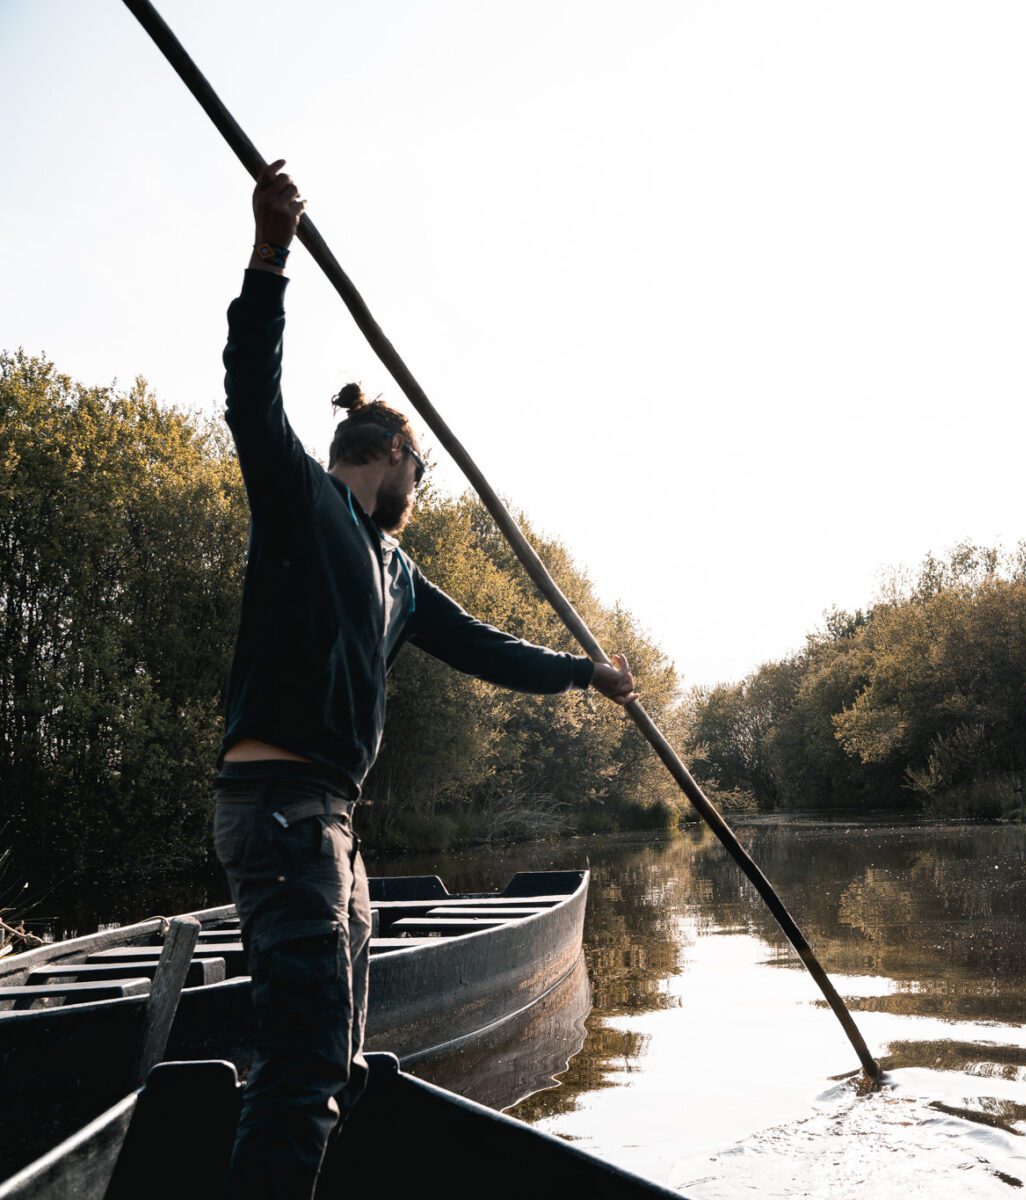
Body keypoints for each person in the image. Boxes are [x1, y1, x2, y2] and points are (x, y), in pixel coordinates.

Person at [211, 159, 636, 1198]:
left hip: (334, 827)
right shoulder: (304, 507)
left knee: (336, 1062)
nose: (422, 489)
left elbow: (489, 646)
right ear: (395, 452)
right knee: (307, 1063)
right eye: (420, 472)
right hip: (277, 810)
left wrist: (586, 673)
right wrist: (270, 258)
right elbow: (249, 396)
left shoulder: (399, 576)